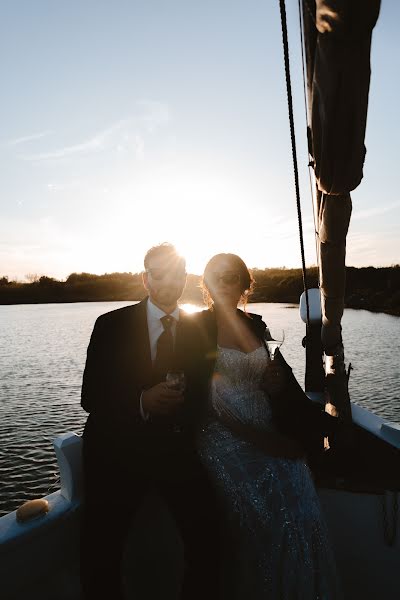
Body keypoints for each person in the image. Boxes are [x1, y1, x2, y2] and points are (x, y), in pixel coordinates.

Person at [195, 252, 342, 599]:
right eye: (217, 276)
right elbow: (198, 398)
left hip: (265, 425)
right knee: (275, 519)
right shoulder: (192, 329)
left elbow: (281, 387)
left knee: (303, 504)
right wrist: (264, 442)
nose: (225, 282)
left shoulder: (257, 327)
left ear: (245, 285)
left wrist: (274, 385)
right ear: (205, 283)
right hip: (221, 432)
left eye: (233, 276)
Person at [80, 243, 221, 600]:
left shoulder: (198, 330)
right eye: (160, 274)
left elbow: (206, 390)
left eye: (177, 274)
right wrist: (141, 401)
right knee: (102, 553)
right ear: (146, 279)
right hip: (118, 452)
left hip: (175, 453)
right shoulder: (111, 325)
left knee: (210, 541)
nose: (170, 281)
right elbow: (90, 397)